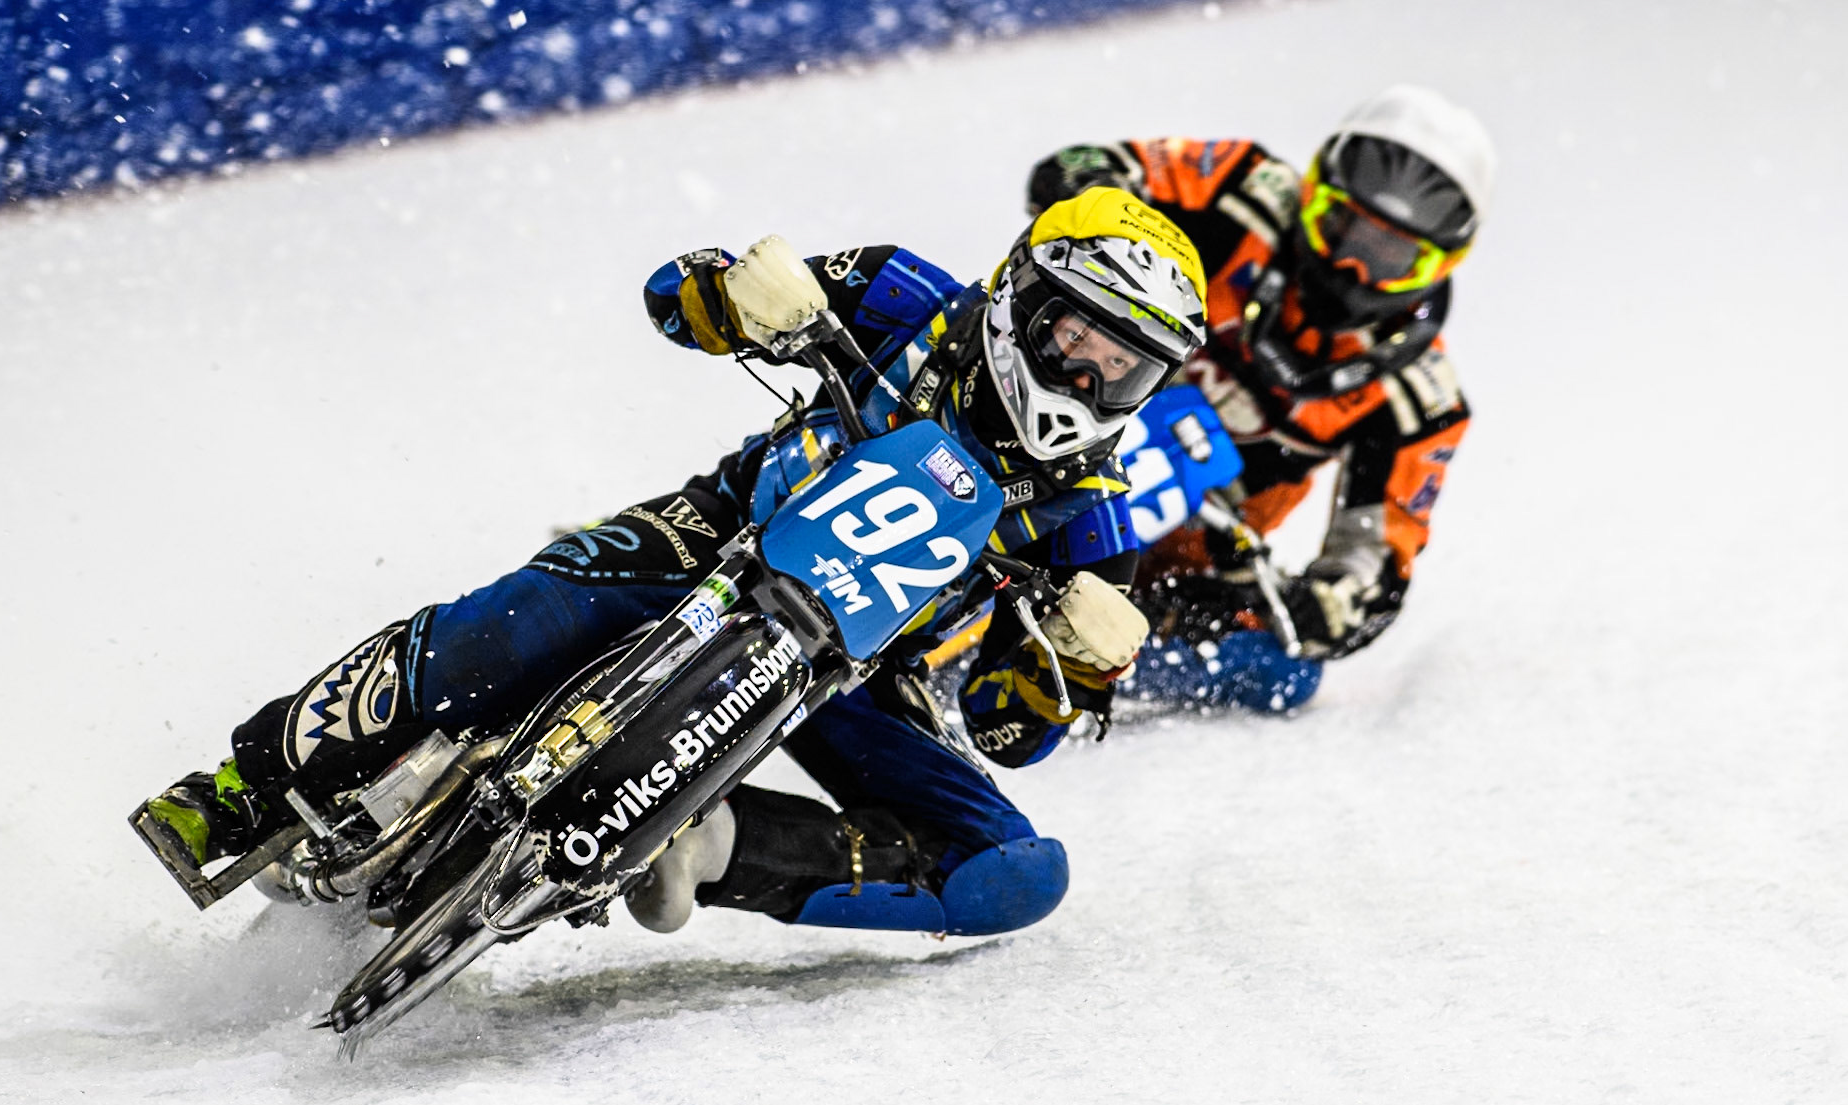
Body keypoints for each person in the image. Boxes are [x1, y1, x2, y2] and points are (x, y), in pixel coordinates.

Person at [136, 187, 1207, 937]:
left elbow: (1010, 730)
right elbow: (668, 297)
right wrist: (741, 295)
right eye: (1078, 334)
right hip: (718, 535)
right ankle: (246, 785)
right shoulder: (903, 295)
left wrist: (1078, 665)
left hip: (861, 669)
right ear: (1023, 292)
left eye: (1125, 365)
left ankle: (710, 847)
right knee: (505, 629)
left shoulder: (1091, 521)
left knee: (1010, 872)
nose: (1089, 372)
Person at [1024, 85, 1496, 713]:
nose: (1354, 267)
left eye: (1391, 255)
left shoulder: (1421, 399)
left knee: (1284, 672)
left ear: (1440, 265)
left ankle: (1063, 663)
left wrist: (1327, 600)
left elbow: (1375, 561)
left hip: (1177, 558)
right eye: (1342, 225)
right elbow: (1079, 168)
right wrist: (1100, 204)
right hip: (1047, 424)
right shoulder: (1242, 186)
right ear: (1312, 193)